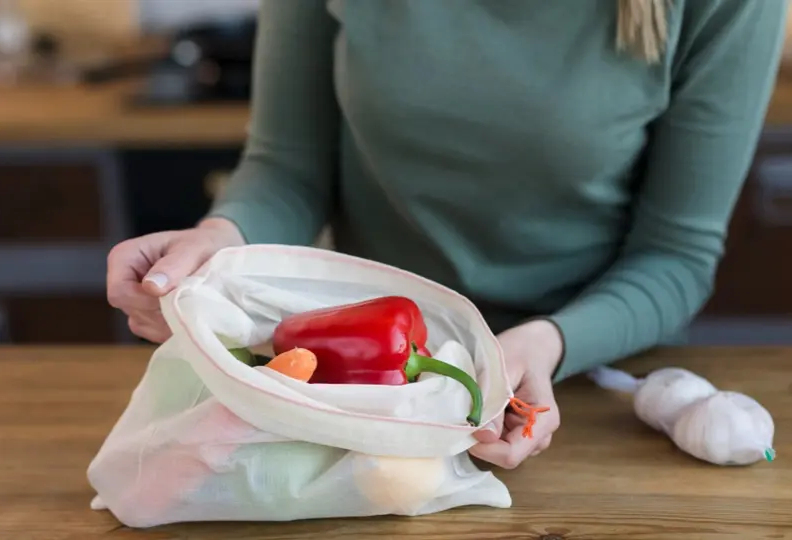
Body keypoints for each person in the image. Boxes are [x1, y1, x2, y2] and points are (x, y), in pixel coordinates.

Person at [107, 0, 788, 469]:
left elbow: (675, 256)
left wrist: (546, 345)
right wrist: (220, 237)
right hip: (366, 391)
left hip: (599, 393)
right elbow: (289, 169)